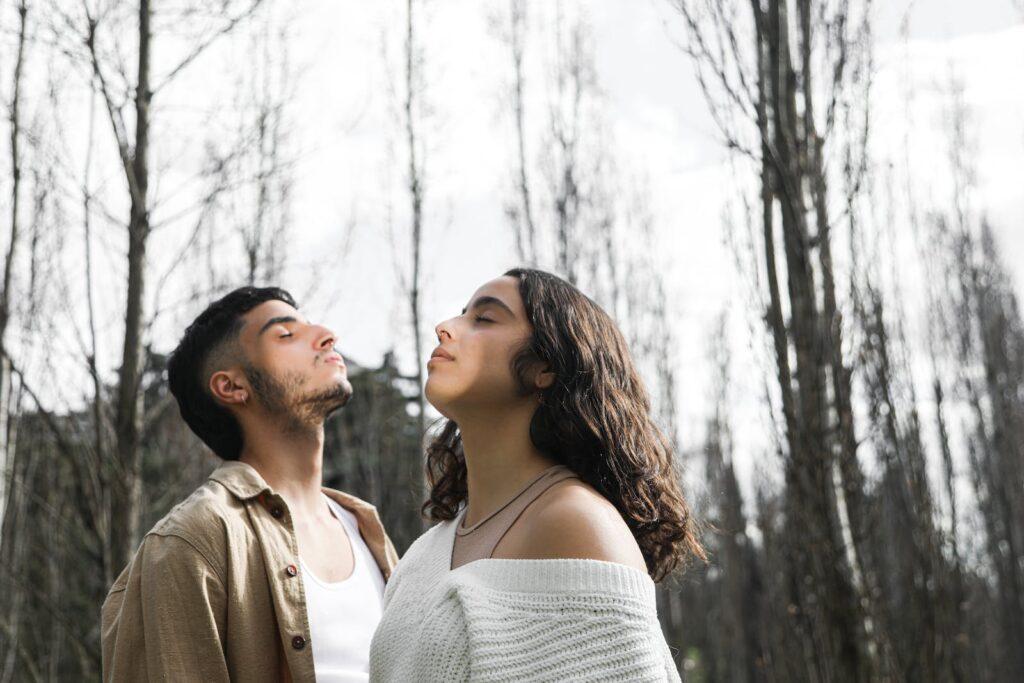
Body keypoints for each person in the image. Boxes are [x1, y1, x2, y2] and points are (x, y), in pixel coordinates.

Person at [369, 268, 703, 681]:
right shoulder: (422, 555)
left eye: (484, 319)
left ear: (544, 366)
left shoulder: (577, 524)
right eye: (461, 314)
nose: (444, 328)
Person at [101, 286, 398, 683]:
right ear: (232, 387)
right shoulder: (194, 539)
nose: (326, 334)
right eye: (286, 335)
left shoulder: (365, 528)